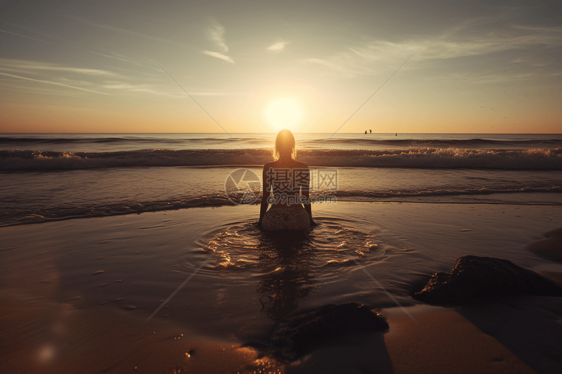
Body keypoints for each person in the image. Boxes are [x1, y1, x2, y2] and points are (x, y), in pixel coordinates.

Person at [259, 129, 315, 231]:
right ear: (292, 146)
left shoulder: (268, 167)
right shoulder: (303, 166)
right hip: (298, 219)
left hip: (275, 219)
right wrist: (310, 220)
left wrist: (260, 222)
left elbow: (266, 197)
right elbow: (305, 197)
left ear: (277, 146)